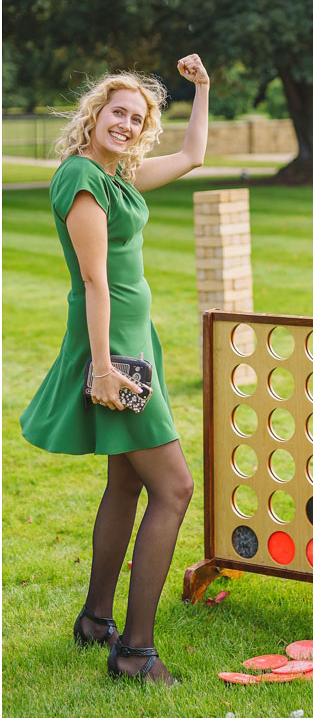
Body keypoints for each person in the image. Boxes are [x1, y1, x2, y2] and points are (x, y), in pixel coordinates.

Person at [21, 57, 211, 685]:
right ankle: (134, 652)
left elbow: (191, 157)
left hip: (132, 345)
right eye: (118, 112)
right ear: (94, 114)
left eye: (137, 117)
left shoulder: (116, 176)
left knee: (128, 485)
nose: (127, 124)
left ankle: (95, 620)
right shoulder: (82, 177)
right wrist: (103, 368)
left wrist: (202, 90)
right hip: (115, 352)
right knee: (175, 488)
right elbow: (96, 281)